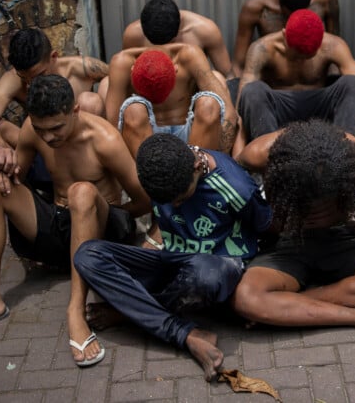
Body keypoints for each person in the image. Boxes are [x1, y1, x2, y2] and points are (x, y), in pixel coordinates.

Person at [0, 75, 150, 369]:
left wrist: (102, 216)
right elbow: (17, 175)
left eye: (56, 128)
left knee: (81, 193)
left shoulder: (104, 139)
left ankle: (76, 311)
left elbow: (144, 200)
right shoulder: (33, 130)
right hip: (59, 227)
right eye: (41, 129)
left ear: (75, 110)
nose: (49, 137)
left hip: (103, 233)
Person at [74, 133, 271, 381]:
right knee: (88, 255)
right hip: (172, 261)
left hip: (215, 267)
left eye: (181, 198)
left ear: (197, 167)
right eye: (166, 202)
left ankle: (131, 314)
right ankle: (185, 332)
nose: (175, 206)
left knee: (207, 275)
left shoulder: (235, 186)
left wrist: (254, 292)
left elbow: (264, 229)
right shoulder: (158, 168)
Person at [231, 120, 355, 338]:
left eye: (324, 207)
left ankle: (289, 305)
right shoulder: (259, 153)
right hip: (284, 242)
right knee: (246, 297)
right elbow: (230, 190)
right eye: (306, 209)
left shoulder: (354, 155)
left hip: (339, 238)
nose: (314, 217)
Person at [0, 28, 108, 176]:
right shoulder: (13, 80)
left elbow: (121, 77)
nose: (31, 84)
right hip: (45, 147)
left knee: (92, 99)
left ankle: (96, 175)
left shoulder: (81, 68)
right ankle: (12, 185)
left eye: (39, 75)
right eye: (24, 78)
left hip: (83, 151)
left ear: (53, 57)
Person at [237, 9, 355, 142]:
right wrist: (239, 147)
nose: (301, 61)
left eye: (307, 57)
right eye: (296, 55)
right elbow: (242, 104)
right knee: (252, 91)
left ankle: (345, 148)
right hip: (280, 110)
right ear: (284, 34)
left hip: (320, 107)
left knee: (353, 83)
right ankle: (267, 151)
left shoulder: (332, 45)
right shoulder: (263, 49)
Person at [106, 40, 238, 156]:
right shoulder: (121, 62)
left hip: (190, 139)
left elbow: (229, 114)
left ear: (175, 69)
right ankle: (149, 174)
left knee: (211, 99)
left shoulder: (189, 55)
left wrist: (223, 161)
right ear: (132, 70)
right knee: (132, 108)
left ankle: (197, 171)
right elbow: (113, 128)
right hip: (146, 141)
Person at [232, 0, 340, 77]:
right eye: (288, 14)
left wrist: (334, 79)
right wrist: (233, 83)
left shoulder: (326, 1)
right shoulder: (255, 9)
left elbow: (334, 49)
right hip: (273, 81)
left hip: (313, 78)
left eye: (302, 13)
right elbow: (238, 64)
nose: (294, 19)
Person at [122, 0, 233, 78]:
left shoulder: (205, 30)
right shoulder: (133, 34)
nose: (166, 48)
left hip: (192, 92)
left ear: (179, 29)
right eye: (156, 45)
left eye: (170, 42)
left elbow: (228, 75)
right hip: (150, 93)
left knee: (217, 77)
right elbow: (126, 76)